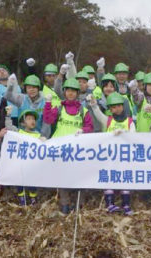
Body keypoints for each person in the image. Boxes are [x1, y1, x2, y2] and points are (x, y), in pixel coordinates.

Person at [44, 78, 94, 213]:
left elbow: (90, 126)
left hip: (77, 148)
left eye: (73, 91)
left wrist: (83, 130)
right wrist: (48, 104)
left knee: (79, 175)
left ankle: (79, 202)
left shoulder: (83, 110)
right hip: (61, 148)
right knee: (62, 176)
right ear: (65, 92)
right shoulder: (59, 107)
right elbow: (48, 119)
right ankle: (65, 203)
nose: (71, 93)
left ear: (77, 93)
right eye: (68, 91)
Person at [88, 92, 135, 215]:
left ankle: (126, 205)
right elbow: (98, 114)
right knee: (109, 178)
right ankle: (110, 204)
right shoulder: (108, 120)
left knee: (125, 179)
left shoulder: (130, 121)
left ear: (123, 106)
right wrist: (93, 105)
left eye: (119, 106)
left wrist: (124, 133)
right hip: (110, 157)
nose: (117, 109)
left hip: (125, 157)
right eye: (113, 107)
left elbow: (135, 137)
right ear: (110, 109)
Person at [5, 108, 45, 205]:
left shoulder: (38, 135)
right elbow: (9, 127)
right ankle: (22, 198)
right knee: (20, 181)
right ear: (23, 123)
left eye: (33, 119)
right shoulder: (19, 133)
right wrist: (8, 115)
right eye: (29, 119)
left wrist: (43, 140)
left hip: (33, 165)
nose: (32, 121)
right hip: (20, 164)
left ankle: (32, 198)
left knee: (32, 181)